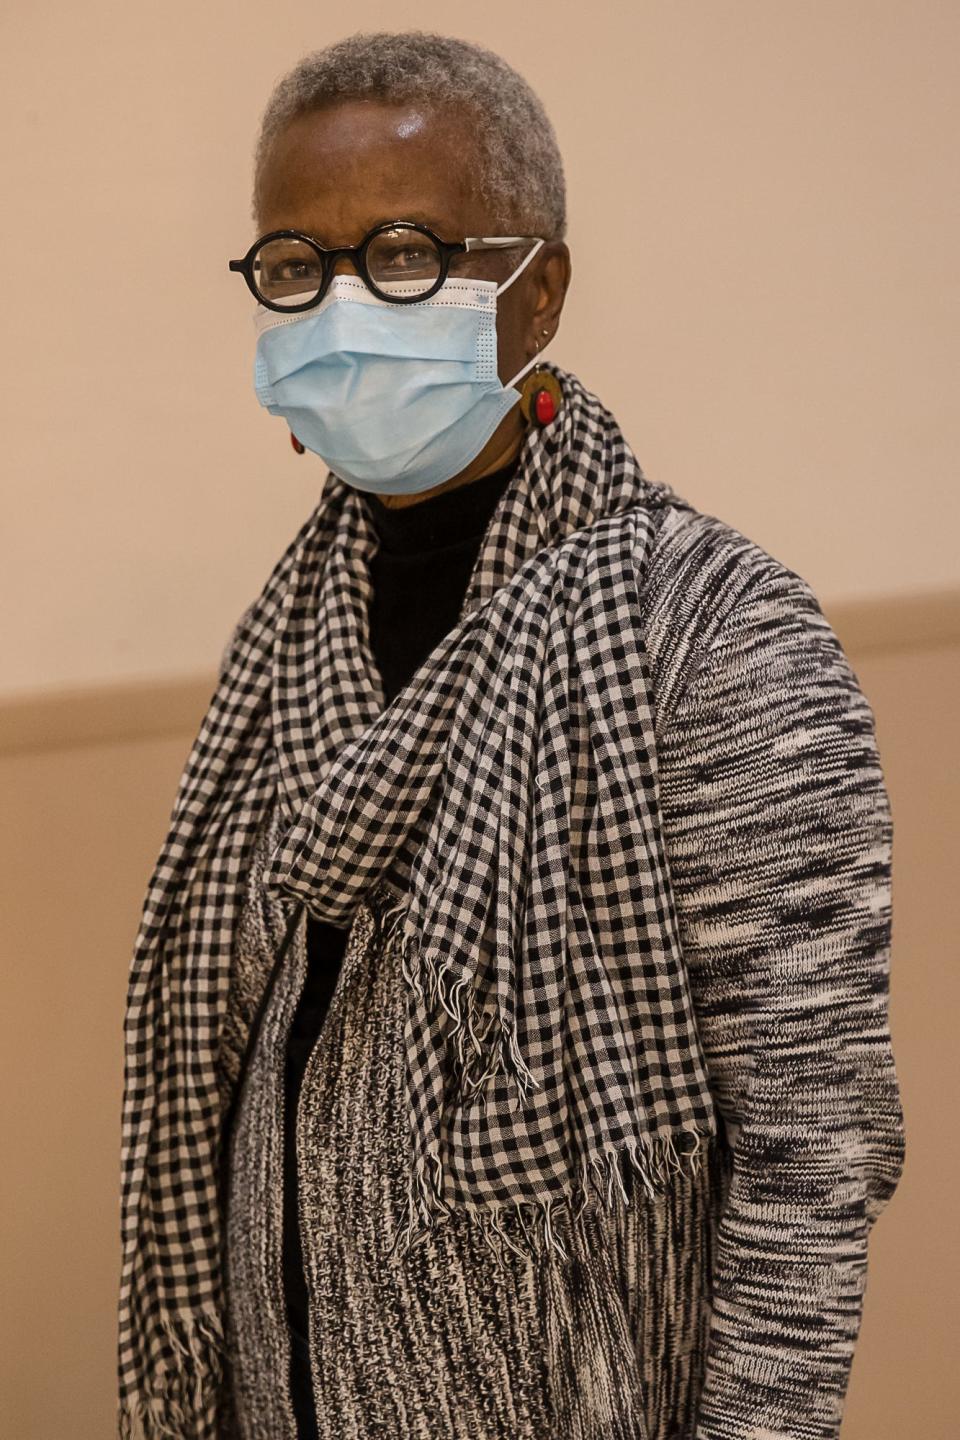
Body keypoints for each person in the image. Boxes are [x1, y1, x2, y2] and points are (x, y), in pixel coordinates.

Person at [116, 31, 906, 1440]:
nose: (344, 310)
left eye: (404, 253)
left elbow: (808, 1162)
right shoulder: (280, 644)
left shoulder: (711, 635)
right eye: (297, 266)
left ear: (531, 293)